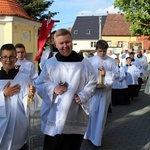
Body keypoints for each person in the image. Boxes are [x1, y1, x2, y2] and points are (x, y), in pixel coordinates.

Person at [36, 29, 97, 150]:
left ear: (72, 41)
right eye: (61, 43)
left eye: (67, 42)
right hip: (55, 112)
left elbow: (92, 82)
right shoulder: (50, 63)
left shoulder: (84, 63)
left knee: (72, 145)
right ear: (55, 44)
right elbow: (40, 83)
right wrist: (53, 88)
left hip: (75, 112)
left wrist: (83, 95)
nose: (65, 46)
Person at [0, 44, 38, 150]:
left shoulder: (24, 78)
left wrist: (31, 95)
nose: (8, 60)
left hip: (18, 124)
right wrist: (3, 94)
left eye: (12, 57)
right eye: (5, 57)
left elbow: (29, 106)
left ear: (16, 59)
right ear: (0, 59)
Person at [84, 40, 118, 147]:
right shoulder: (89, 61)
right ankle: (88, 135)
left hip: (105, 92)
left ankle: (97, 139)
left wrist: (106, 73)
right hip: (93, 92)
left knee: (101, 116)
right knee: (91, 114)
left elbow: (117, 75)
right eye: (100, 51)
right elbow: (85, 75)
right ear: (96, 50)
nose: (102, 53)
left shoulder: (112, 61)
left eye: (104, 51)